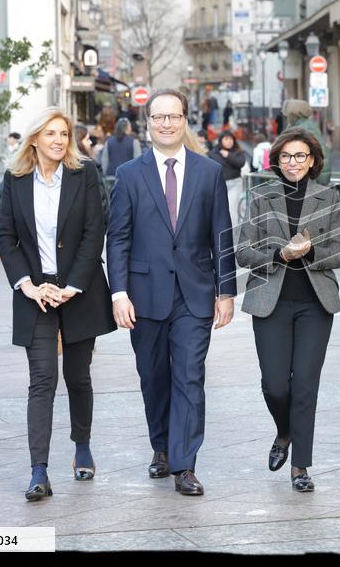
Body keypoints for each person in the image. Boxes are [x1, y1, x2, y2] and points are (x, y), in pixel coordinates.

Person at [106, 88, 237, 497]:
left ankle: (184, 464)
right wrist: (119, 293)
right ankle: (161, 446)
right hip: (144, 295)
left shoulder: (209, 172)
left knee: (189, 376)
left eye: (173, 116)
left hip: (194, 294)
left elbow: (221, 234)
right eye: (158, 117)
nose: (166, 123)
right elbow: (118, 238)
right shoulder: (129, 174)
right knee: (153, 377)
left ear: (185, 120)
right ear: (148, 123)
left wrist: (226, 291)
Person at [0, 107, 117, 501]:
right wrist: (28, 286)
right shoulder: (15, 180)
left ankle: (82, 445)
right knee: (42, 379)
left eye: (64, 133)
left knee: (78, 376)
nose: (59, 140)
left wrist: (74, 285)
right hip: (36, 293)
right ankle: (39, 471)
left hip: (79, 290)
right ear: (34, 139)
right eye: (50, 133)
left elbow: (94, 231)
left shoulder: (85, 174)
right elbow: (6, 237)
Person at [235, 128, 340, 492]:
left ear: (312, 160)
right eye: (285, 156)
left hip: (316, 303)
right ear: (276, 161)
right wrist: (278, 254)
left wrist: (311, 252)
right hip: (271, 301)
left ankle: (301, 467)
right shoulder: (260, 197)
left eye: (300, 156)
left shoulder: (329, 197)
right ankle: (284, 431)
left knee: (305, 386)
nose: (293, 162)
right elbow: (243, 251)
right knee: (275, 385)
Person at [283, 99, 331, 184]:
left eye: (288, 115)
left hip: (310, 182)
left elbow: (320, 155)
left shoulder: (304, 129)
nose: (287, 117)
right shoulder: (304, 127)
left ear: (294, 114)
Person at [207, 129, 248, 231]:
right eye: (226, 139)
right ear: (221, 140)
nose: (229, 141)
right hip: (219, 185)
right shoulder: (214, 153)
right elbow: (212, 165)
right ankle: (221, 232)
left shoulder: (237, 151)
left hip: (235, 184)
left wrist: (228, 155)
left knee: (232, 209)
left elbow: (240, 163)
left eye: (231, 139)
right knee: (220, 209)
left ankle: (233, 234)